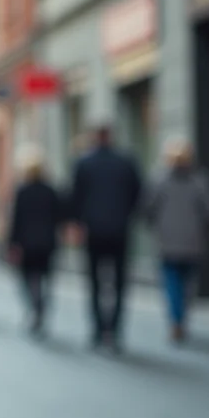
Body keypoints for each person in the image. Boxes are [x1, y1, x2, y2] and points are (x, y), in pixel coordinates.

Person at [70, 125, 142, 352]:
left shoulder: (84, 163)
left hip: (94, 231)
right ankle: (115, 329)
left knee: (94, 282)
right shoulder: (126, 162)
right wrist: (126, 216)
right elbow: (137, 194)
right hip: (120, 230)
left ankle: (98, 329)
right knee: (120, 282)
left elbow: (75, 198)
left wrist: (79, 222)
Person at [144, 138, 209, 344]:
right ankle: (181, 317)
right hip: (193, 241)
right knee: (187, 284)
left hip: (167, 241)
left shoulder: (159, 179)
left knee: (171, 283)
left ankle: (176, 319)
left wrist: (156, 225)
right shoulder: (200, 180)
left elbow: (148, 208)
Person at [7, 150, 63, 337]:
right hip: (47, 242)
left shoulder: (22, 191)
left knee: (27, 277)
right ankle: (40, 304)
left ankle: (35, 304)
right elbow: (59, 216)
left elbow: (16, 220)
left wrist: (11, 243)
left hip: (27, 243)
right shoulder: (50, 191)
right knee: (45, 277)